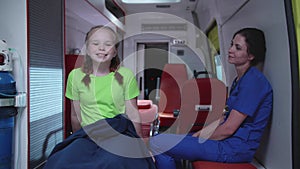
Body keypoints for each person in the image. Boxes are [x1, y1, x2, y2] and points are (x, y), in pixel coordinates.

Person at [150, 27, 273, 169]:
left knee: (157, 142)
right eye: (232, 44)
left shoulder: (253, 82)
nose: (230, 49)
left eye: (237, 48)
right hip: (226, 142)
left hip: (234, 149)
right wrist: (198, 134)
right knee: (170, 145)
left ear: (250, 56)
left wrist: (201, 139)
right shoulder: (239, 80)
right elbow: (223, 118)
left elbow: (228, 129)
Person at [43, 25, 156, 169]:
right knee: (59, 161)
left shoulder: (125, 75)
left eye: (108, 44)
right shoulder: (75, 76)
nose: (101, 48)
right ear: (87, 49)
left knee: (113, 162)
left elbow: (133, 113)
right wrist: (77, 140)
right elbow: (75, 116)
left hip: (118, 133)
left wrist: (141, 146)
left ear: (114, 51)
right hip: (88, 134)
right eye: (95, 43)